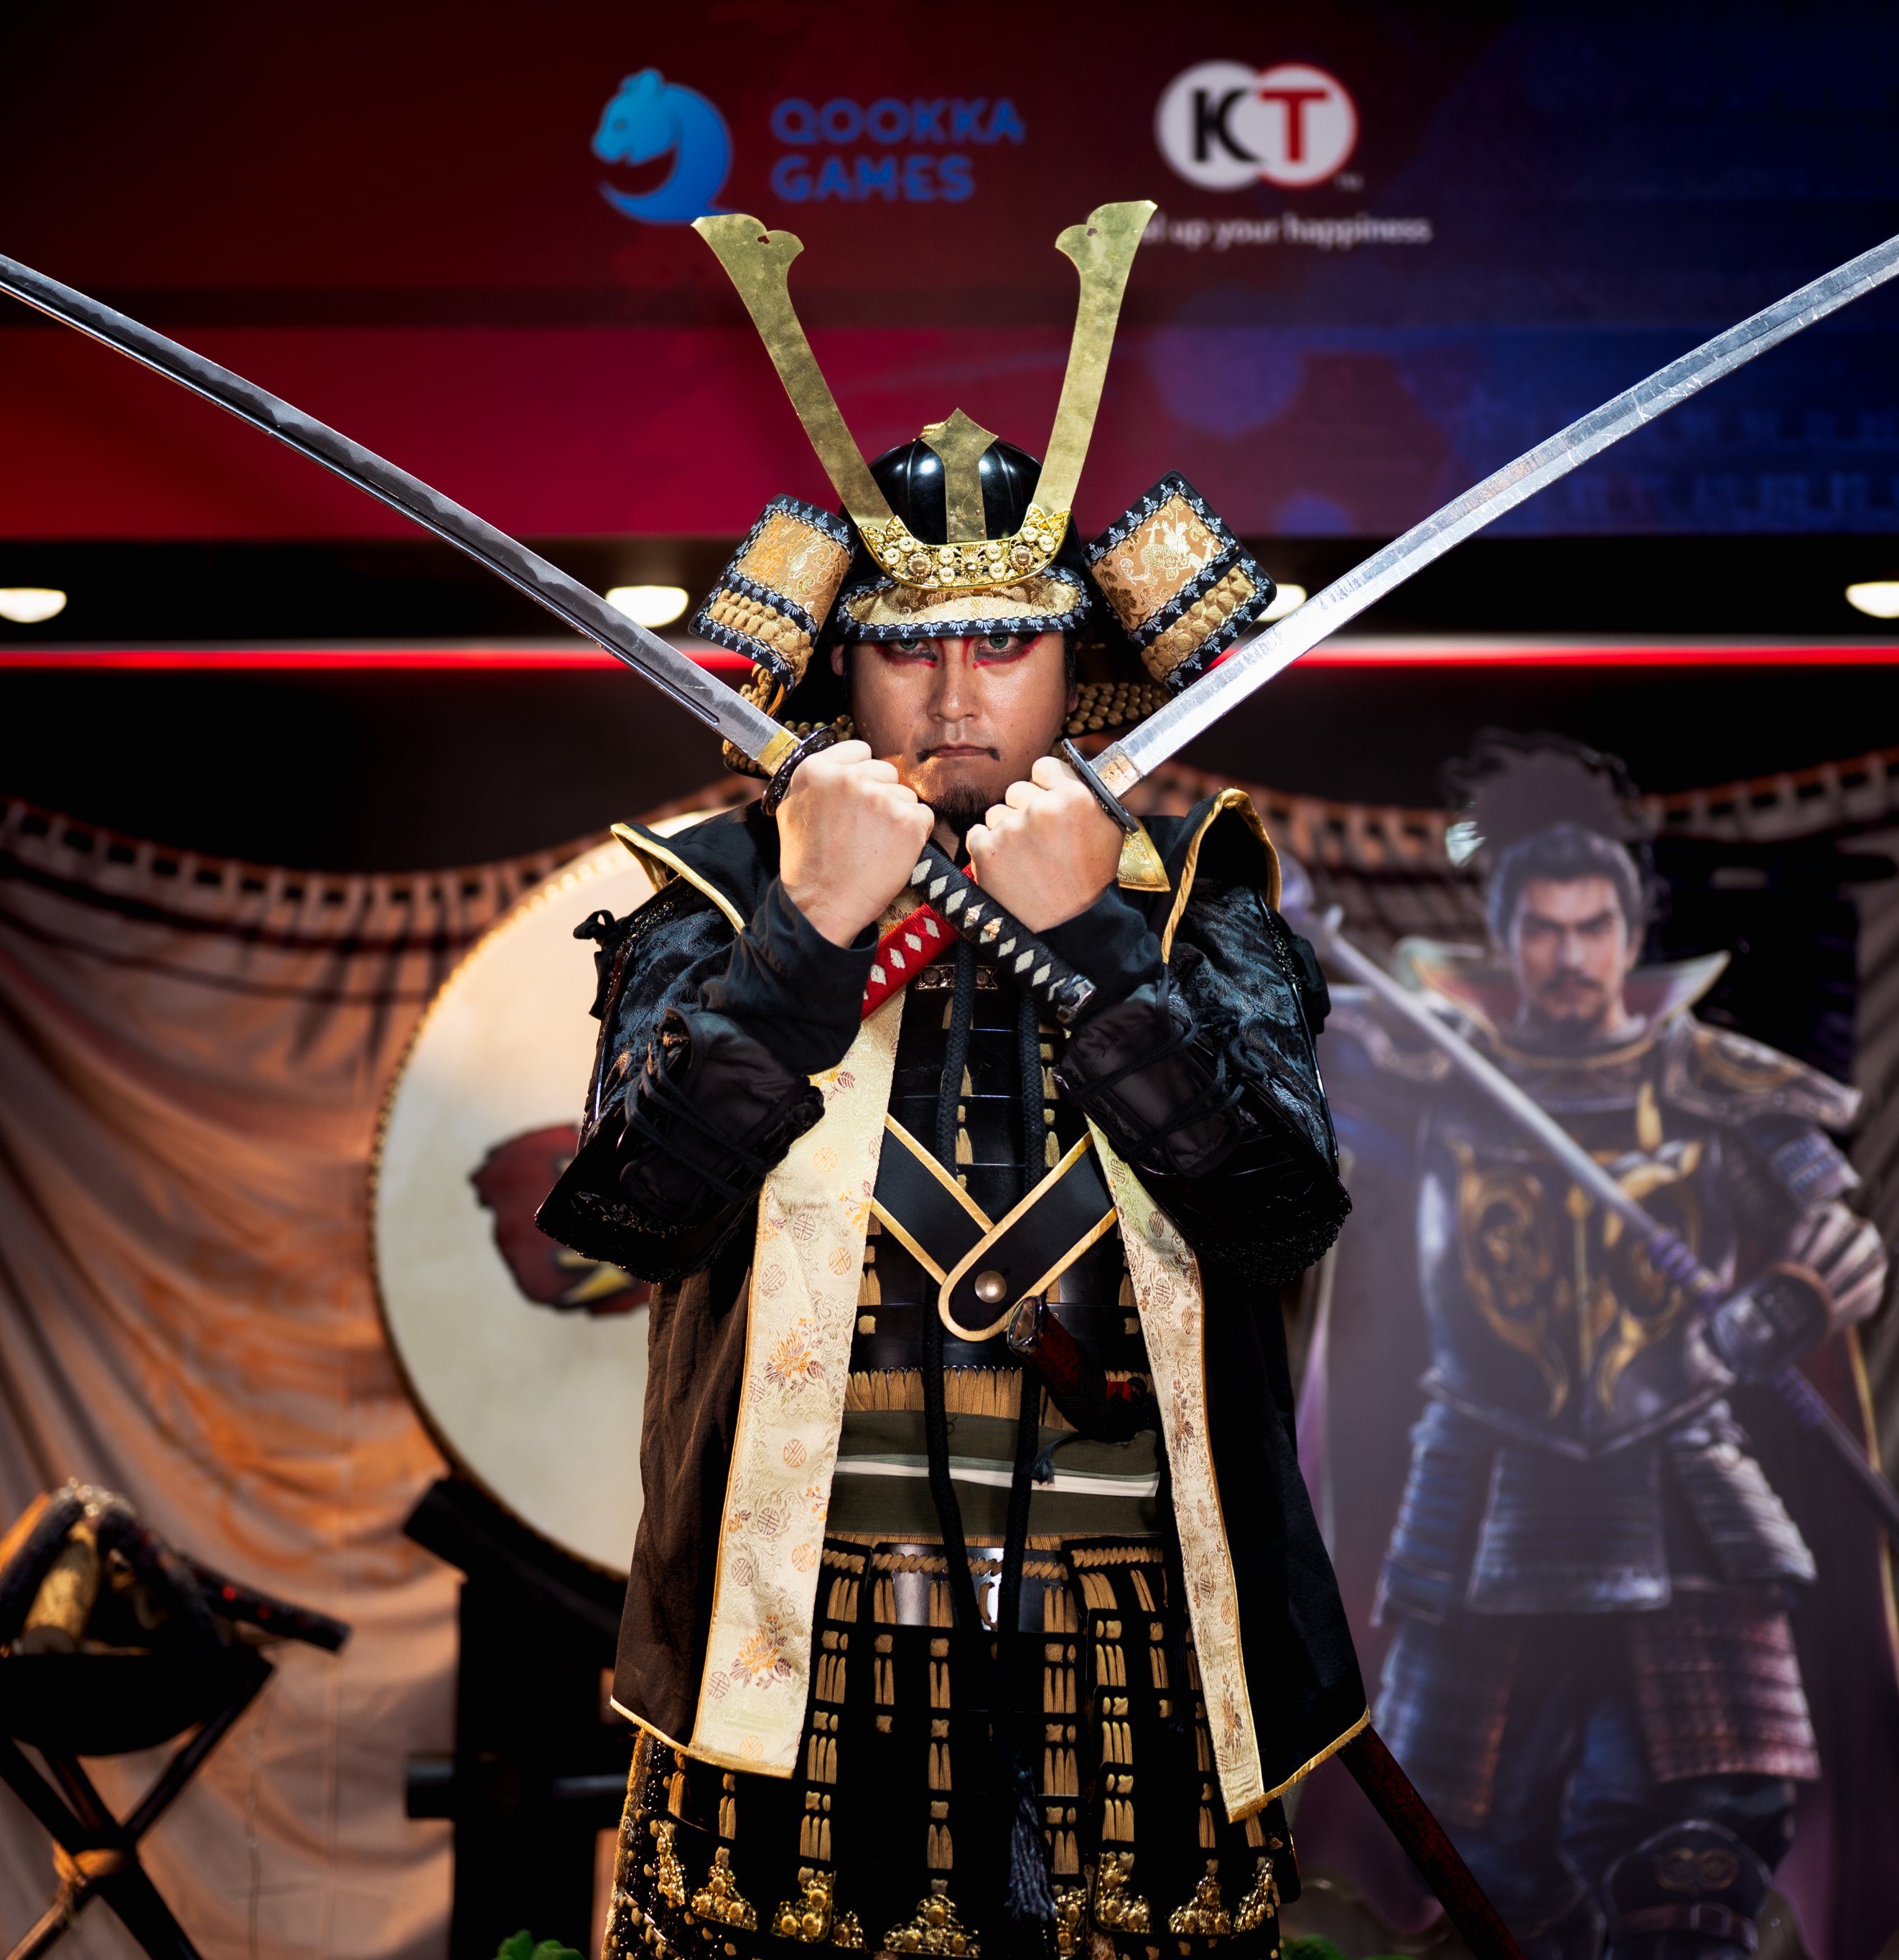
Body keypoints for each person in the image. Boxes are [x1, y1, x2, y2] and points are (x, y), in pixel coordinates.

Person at [538, 202, 1363, 1960]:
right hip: (796, 1638)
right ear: (842, 664)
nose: (953, 692)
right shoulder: (720, 894)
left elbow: (1277, 1216)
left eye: (1004, 641)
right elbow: (626, 1214)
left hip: (1134, 1635)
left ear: (1078, 661)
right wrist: (804, 933)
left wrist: (1107, 949)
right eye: (906, 646)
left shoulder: (1195, 896)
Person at [1356, 818, 1888, 1960]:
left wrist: (1787, 1303)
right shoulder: (1429, 1070)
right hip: (1479, 1497)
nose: (1569, 955)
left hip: (1685, 1497)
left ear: (1631, 936)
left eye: (1591, 927)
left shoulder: (1714, 1082)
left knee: (1696, 1861)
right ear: (1506, 937)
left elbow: (1845, 1241)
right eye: (1544, 930)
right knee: (1473, 1864)